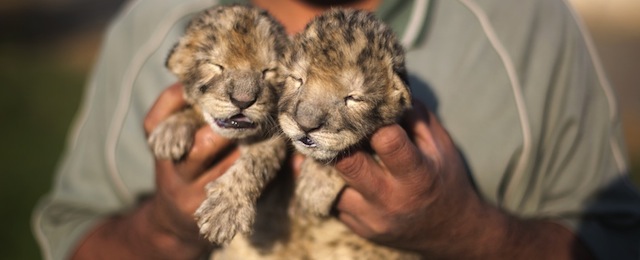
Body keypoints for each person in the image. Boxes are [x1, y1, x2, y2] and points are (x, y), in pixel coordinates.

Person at [32, 0, 640, 259]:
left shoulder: (528, 22)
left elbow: (617, 242)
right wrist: (161, 229)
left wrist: (466, 230)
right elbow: (70, 236)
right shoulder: (156, 25)